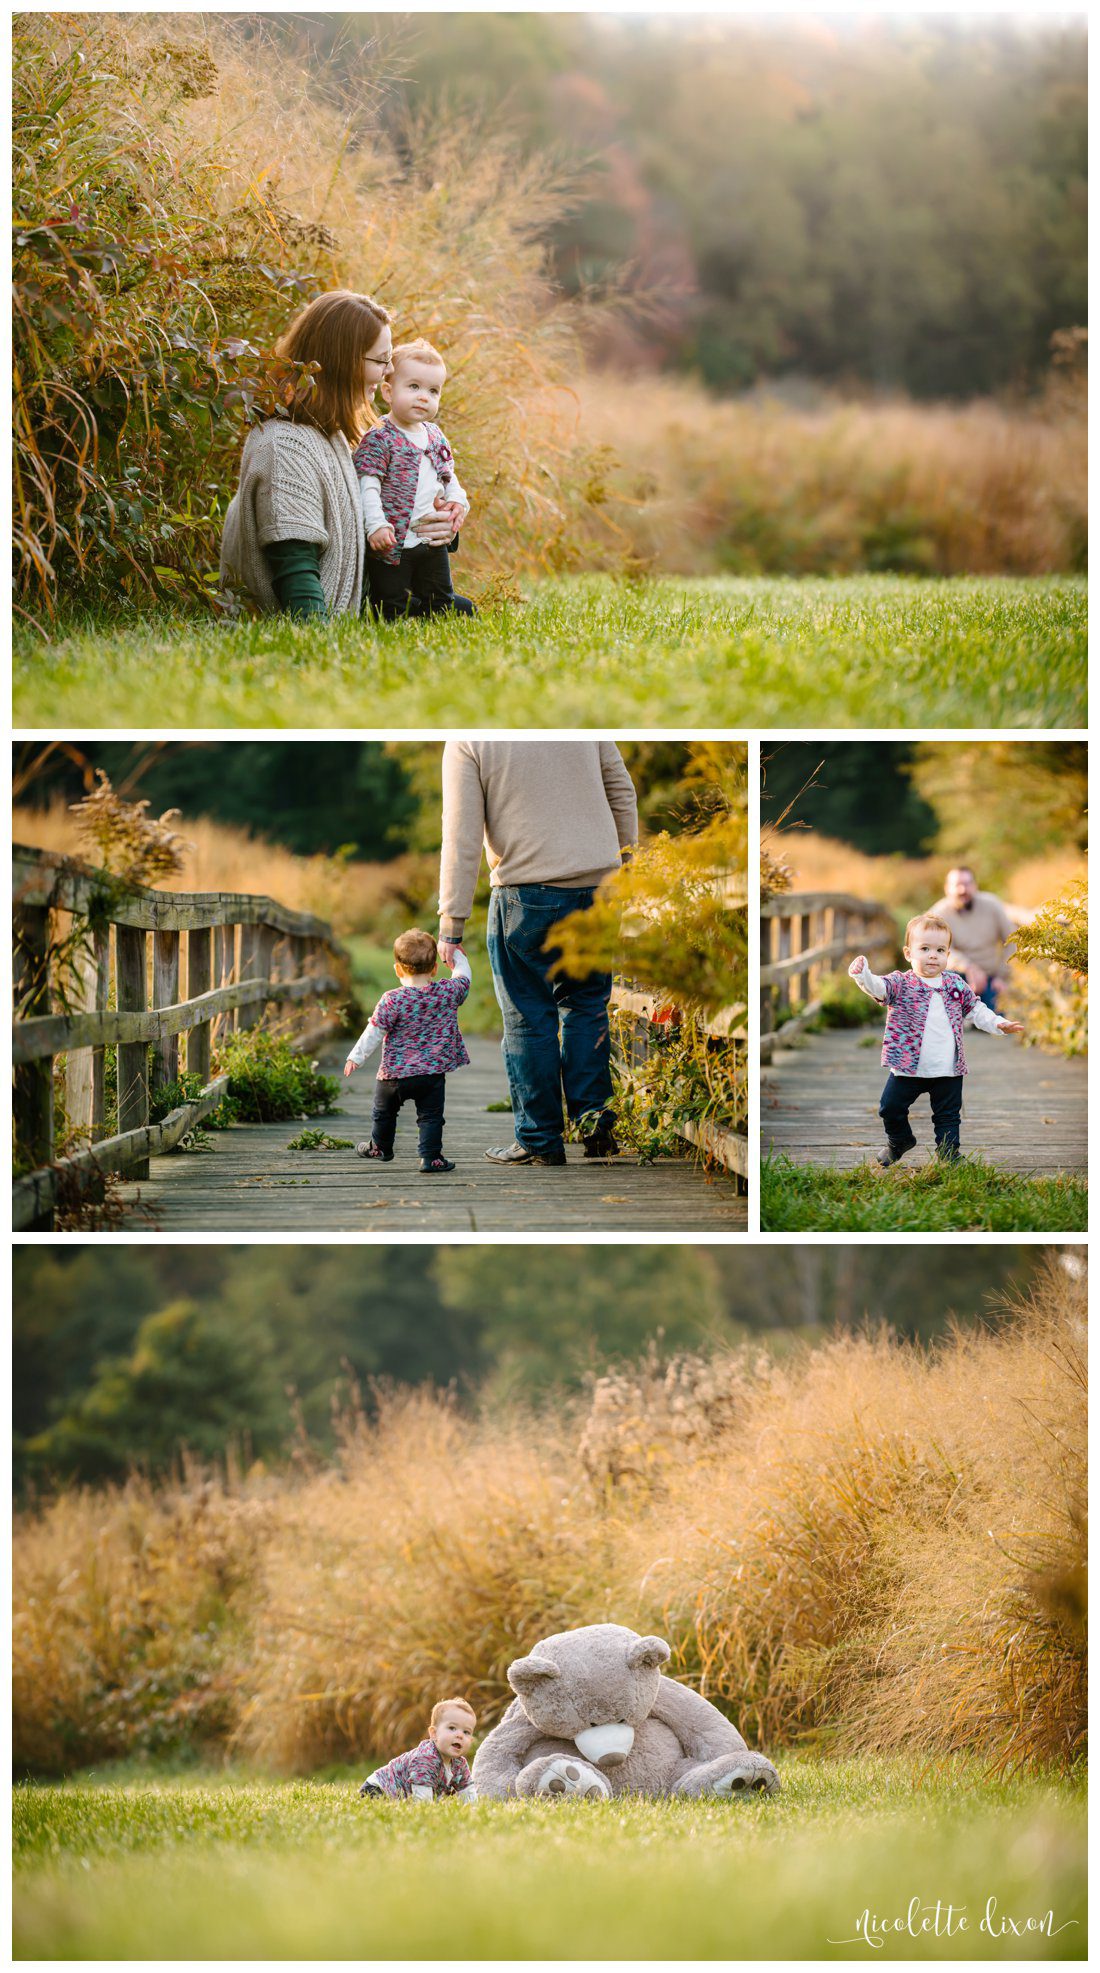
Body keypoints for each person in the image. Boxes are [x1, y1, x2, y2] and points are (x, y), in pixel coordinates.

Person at [437, 741, 639, 1167]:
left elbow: (462, 834)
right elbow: (622, 792)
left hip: (525, 894)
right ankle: (595, 1125)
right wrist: (624, 864)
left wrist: (452, 922)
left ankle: (540, 1139)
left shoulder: (469, 739)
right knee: (587, 1007)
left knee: (528, 1016)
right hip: (599, 890)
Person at [220, 292, 456, 619]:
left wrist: (438, 529)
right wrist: (315, 637)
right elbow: (295, 567)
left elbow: (367, 526)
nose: (389, 371)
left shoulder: (333, 435)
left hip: (367, 600)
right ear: (343, 360)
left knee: (458, 610)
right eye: (380, 360)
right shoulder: (285, 447)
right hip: (327, 614)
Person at [849, 913, 1023, 1166]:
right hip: (908, 1067)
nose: (933, 955)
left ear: (948, 954)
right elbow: (879, 987)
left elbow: (976, 1009)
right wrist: (863, 975)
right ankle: (899, 1141)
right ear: (908, 953)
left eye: (940, 950)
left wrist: (998, 1023)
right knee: (890, 1108)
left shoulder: (955, 983)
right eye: (925, 948)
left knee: (948, 1116)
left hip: (947, 1068)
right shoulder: (901, 982)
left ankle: (950, 1154)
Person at [353, 339, 475, 620]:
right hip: (391, 541)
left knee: (440, 596)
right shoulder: (380, 436)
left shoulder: (434, 435)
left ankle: (433, 624)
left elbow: (448, 476)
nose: (424, 397)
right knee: (389, 601)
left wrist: (458, 501)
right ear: (388, 391)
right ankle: (395, 624)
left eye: (433, 391)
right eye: (414, 387)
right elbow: (367, 485)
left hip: (430, 541)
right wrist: (376, 525)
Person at [344, 928, 471, 1173]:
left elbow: (374, 1031)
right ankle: (431, 1157)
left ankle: (380, 1146)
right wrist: (456, 955)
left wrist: (355, 1057)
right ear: (435, 968)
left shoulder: (392, 999)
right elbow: (464, 976)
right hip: (431, 1076)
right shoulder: (447, 993)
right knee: (431, 1117)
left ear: (398, 969)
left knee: (383, 1112)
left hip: (394, 1075)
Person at [928, 867, 1015, 1012]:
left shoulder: (992, 905)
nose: (963, 889)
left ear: (975, 886)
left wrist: (1002, 976)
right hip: (954, 976)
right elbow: (939, 951)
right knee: (946, 1012)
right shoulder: (937, 914)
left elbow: (1012, 940)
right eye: (957, 885)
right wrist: (969, 967)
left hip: (990, 977)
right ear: (947, 888)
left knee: (995, 1017)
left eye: (967, 884)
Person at [359, 1698, 477, 1802]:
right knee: (382, 1805)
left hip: (402, 1798)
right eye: (452, 1728)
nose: (460, 1735)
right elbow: (422, 1799)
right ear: (434, 1733)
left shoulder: (460, 1764)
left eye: (466, 1732)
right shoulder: (426, 1758)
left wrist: (473, 1808)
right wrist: (427, 1809)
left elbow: (467, 1790)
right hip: (378, 1789)